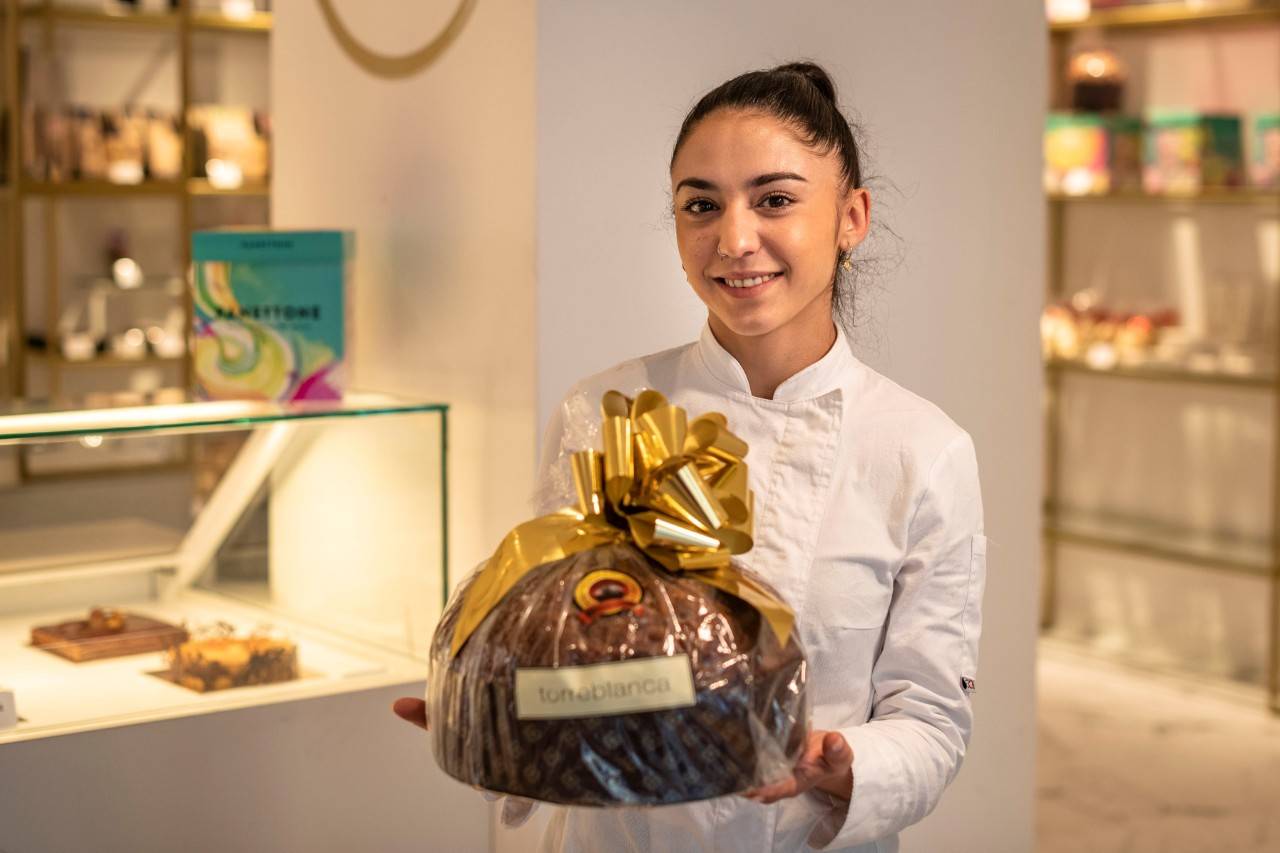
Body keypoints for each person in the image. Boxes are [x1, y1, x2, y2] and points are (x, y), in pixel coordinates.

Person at [394, 61, 987, 853]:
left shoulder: (923, 450)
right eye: (700, 205)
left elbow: (932, 722)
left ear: (852, 217)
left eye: (775, 199)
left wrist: (840, 762)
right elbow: (560, 652)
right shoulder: (602, 413)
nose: (734, 239)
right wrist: (500, 713)